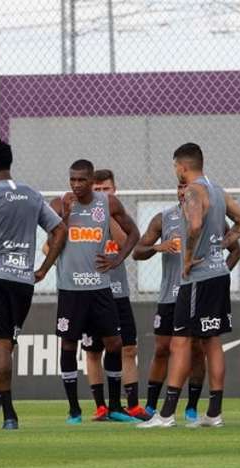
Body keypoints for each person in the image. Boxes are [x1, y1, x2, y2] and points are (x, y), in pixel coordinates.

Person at [0, 140, 66, 430]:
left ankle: (11, 415)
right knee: (9, 344)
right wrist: (44, 268)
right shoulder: (32, 194)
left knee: (0, 346)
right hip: (23, 280)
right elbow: (59, 230)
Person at [138, 142, 240, 428]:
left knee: (180, 342)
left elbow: (196, 225)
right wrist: (219, 247)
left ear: (183, 166)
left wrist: (188, 258)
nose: (176, 171)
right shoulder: (217, 190)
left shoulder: (192, 191)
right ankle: (214, 413)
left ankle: (165, 415)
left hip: (197, 278)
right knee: (212, 342)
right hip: (218, 275)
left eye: (176, 167)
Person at [48, 159, 140, 424]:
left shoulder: (107, 203)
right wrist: (64, 215)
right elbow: (50, 242)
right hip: (70, 289)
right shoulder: (60, 203)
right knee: (69, 343)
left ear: (91, 181)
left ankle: (114, 407)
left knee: (115, 343)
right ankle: (74, 410)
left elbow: (133, 232)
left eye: (81, 180)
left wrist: (118, 258)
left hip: (100, 288)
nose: (76, 185)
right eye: (72, 180)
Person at [80, 169, 145, 421]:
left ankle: (133, 405)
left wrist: (108, 216)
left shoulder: (117, 215)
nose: (102, 194)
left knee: (129, 348)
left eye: (106, 189)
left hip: (118, 293)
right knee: (93, 351)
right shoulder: (81, 217)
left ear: (114, 190)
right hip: (89, 291)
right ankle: (100, 406)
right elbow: (50, 245)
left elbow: (123, 243)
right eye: (97, 190)